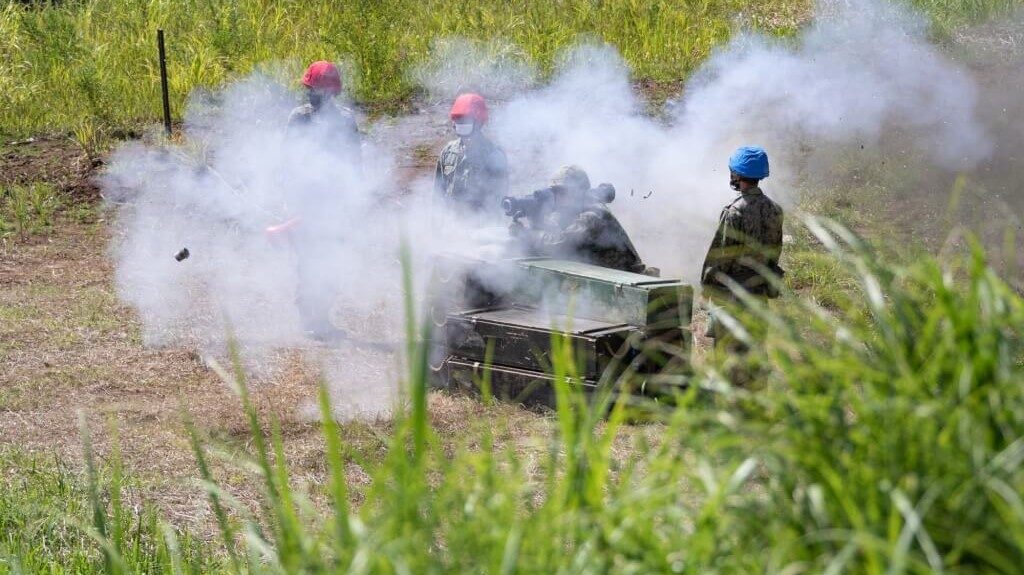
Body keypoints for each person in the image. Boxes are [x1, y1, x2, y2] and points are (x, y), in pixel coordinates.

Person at [280, 61, 362, 342]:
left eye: (319, 90)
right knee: (309, 262)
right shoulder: (299, 118)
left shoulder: (345, 120)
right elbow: (288, 162)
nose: (313, 95)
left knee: (331, 261)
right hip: (306, 205)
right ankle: (310, 320)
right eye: (311, 89)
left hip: (334, 206)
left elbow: (354, 163)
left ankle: (322, 316)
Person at [701, 145, 784, 347]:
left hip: (732, 298)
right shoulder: (775, 209)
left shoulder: (733, 212)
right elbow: (774, 253)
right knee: (755, 356)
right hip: (759, 295)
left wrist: (708, 286)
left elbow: (720, 257)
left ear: (737, 175)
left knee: (726, 358)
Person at [510, 165, 648, 274]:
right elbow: (550, 235)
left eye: (563, 191)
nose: (558, 196)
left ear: (580, 192)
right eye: (556, 192)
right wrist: (534, 222)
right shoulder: (568, 211)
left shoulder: (594, 214)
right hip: (602, 279)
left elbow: (560, 244)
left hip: (628, 281)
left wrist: (528, 235)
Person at [434, 93, 508, 213]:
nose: (465, 136)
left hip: (481, 225)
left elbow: (498, 199)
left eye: (466, 124)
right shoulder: (448, 153)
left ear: (479, 124)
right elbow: (438, 196)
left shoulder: (494, 156)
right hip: (450, 224)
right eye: (459, 124)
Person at [286, 60, 361, 157]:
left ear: (330, 92)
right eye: (309, 88)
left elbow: (355, 159)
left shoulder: (345, 119)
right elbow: (286, 156)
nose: (310, 93)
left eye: (316, 90)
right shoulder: (299, 116)